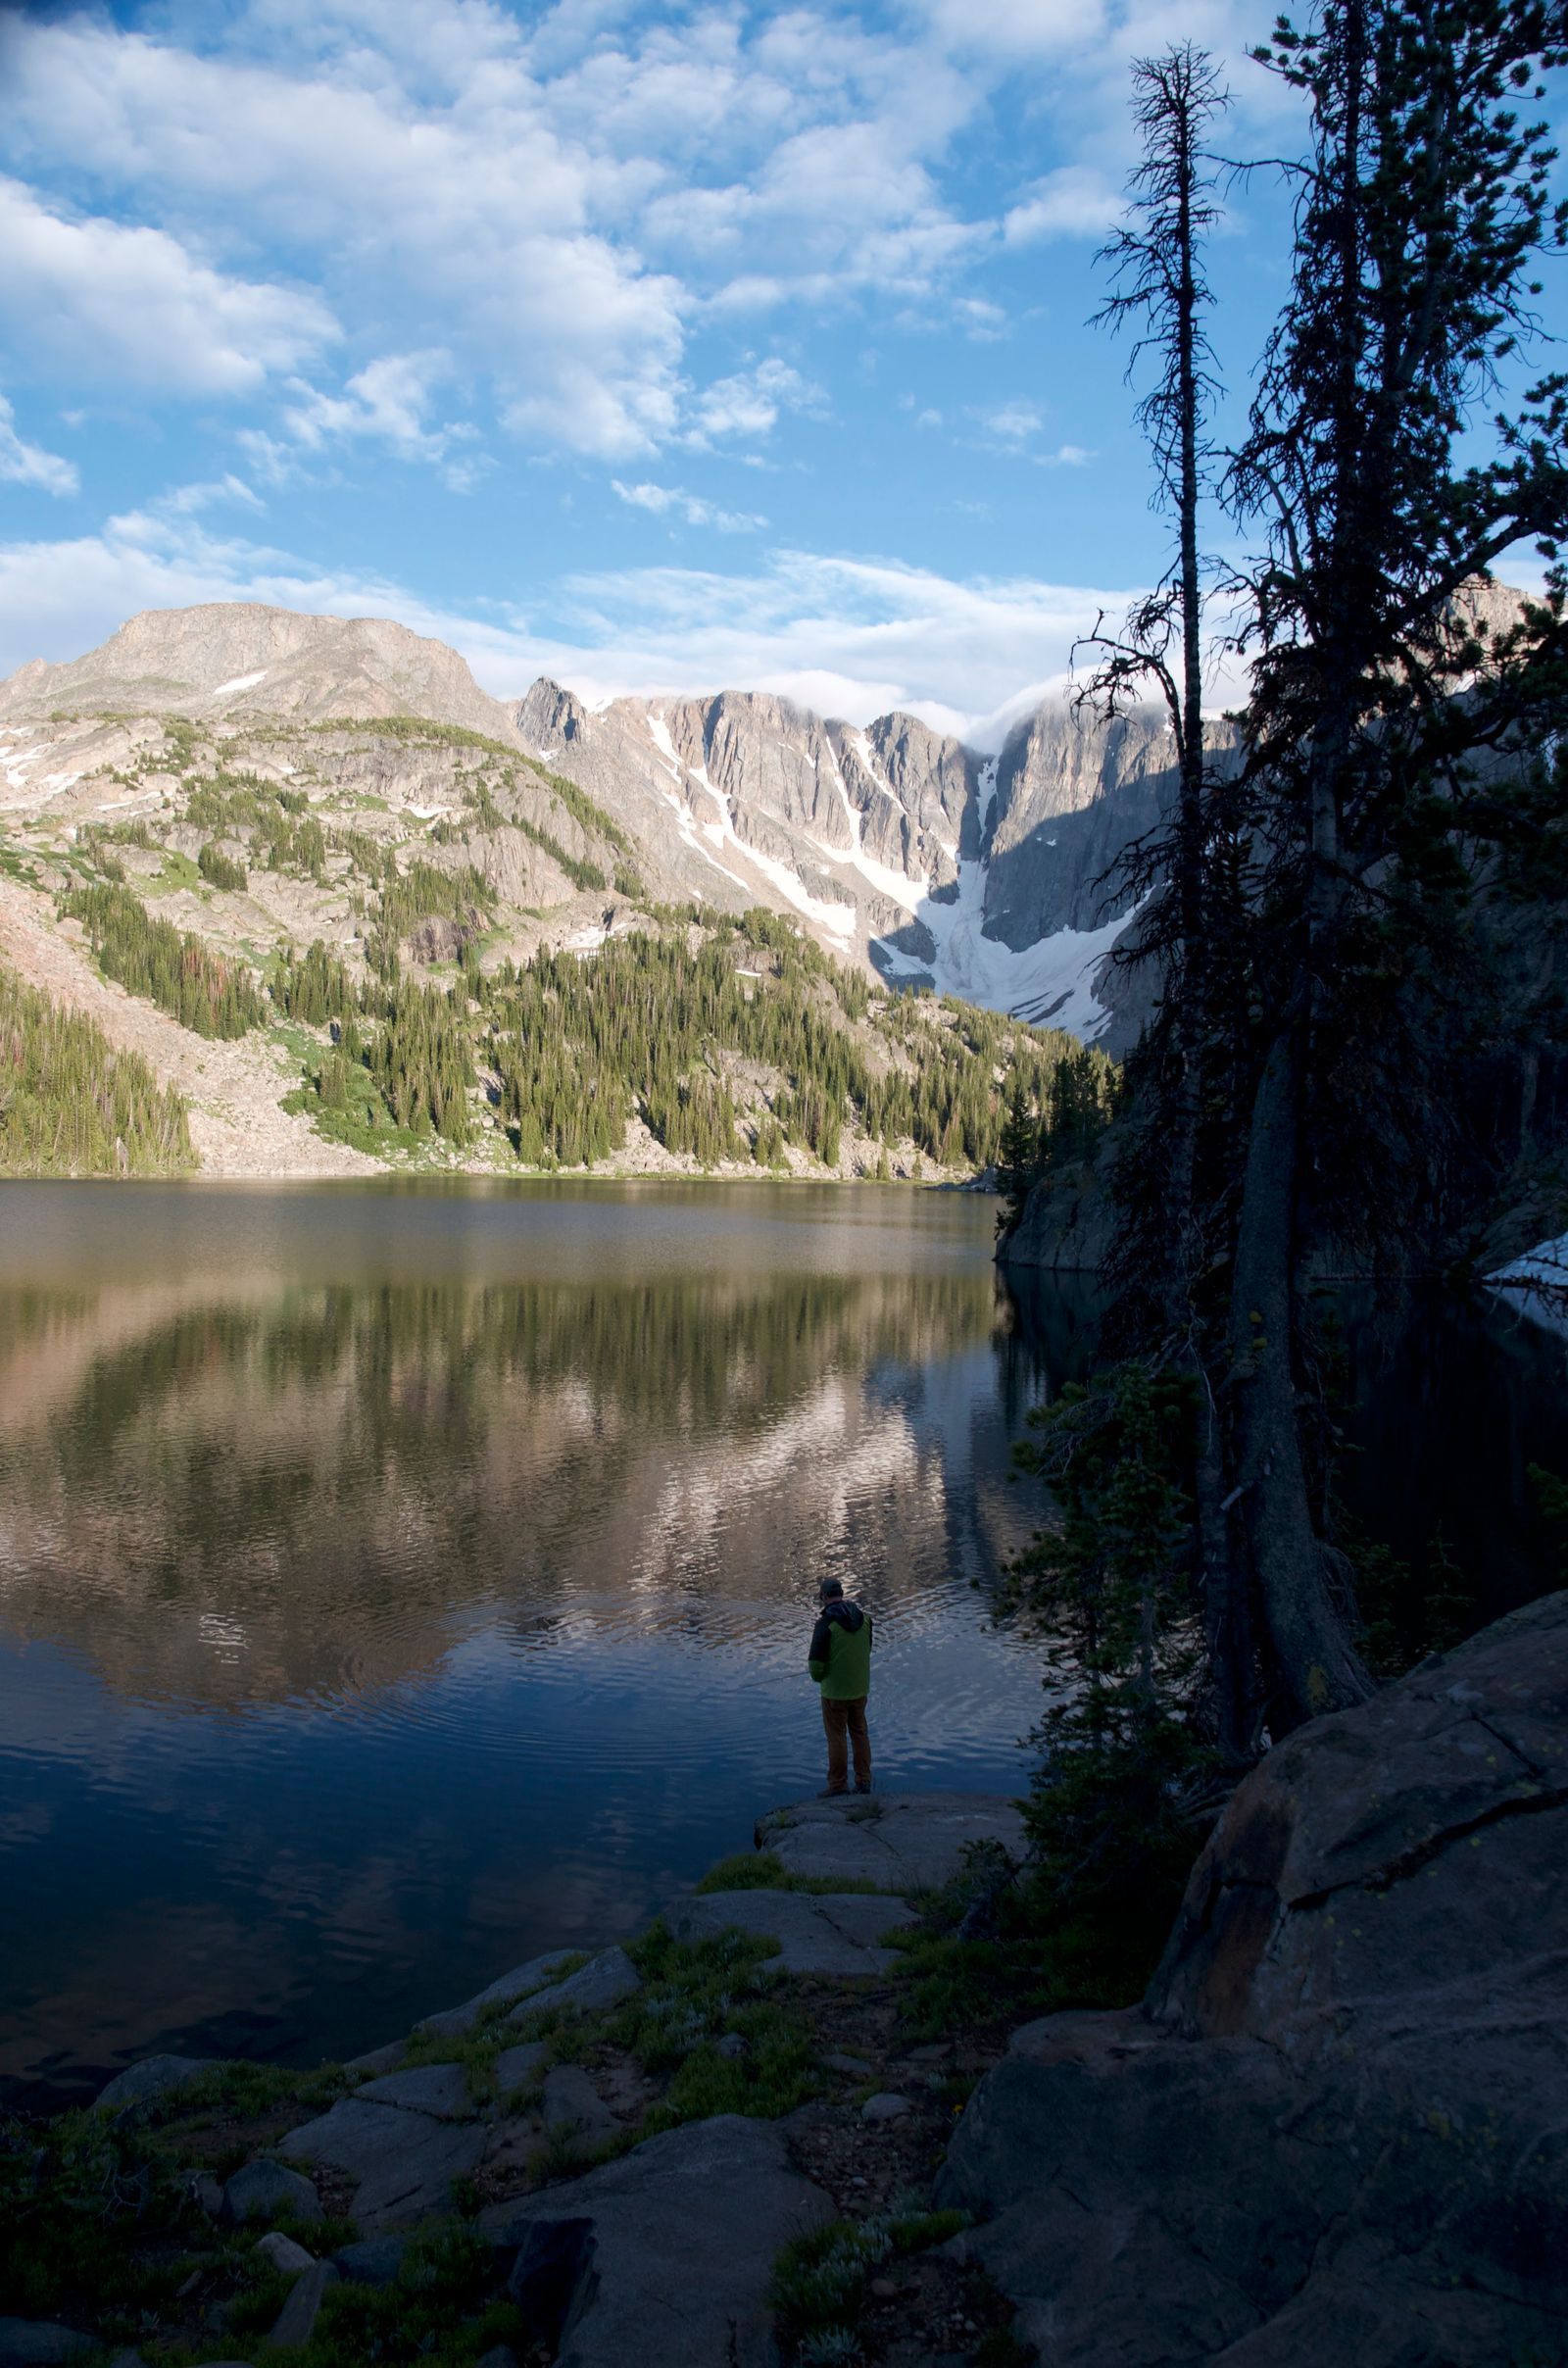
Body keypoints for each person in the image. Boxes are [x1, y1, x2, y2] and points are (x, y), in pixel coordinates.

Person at [808, 1575, 873, 1797]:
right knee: (860, 1733)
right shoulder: (864, 1619)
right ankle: (864, 1781)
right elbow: (867, 1648)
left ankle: (838, 1785)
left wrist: (820, 1678)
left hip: (834, 1693)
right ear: (842, 1595)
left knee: (836, 1737)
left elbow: (815, 1665)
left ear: (824, 1597)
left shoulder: (825, 1624)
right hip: (860, 1689)